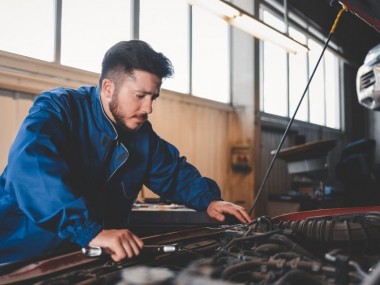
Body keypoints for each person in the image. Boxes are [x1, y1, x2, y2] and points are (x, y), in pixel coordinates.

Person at [0, 40, 251, 264]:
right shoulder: (59, 109)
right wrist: (89, 232)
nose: (149, 108)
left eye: (154, 97)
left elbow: (173, 173)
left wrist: (209, 200)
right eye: (140, 95)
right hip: (21, 256)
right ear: (108, 88)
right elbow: (33, 170)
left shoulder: (141, 135)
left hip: (83, 258)